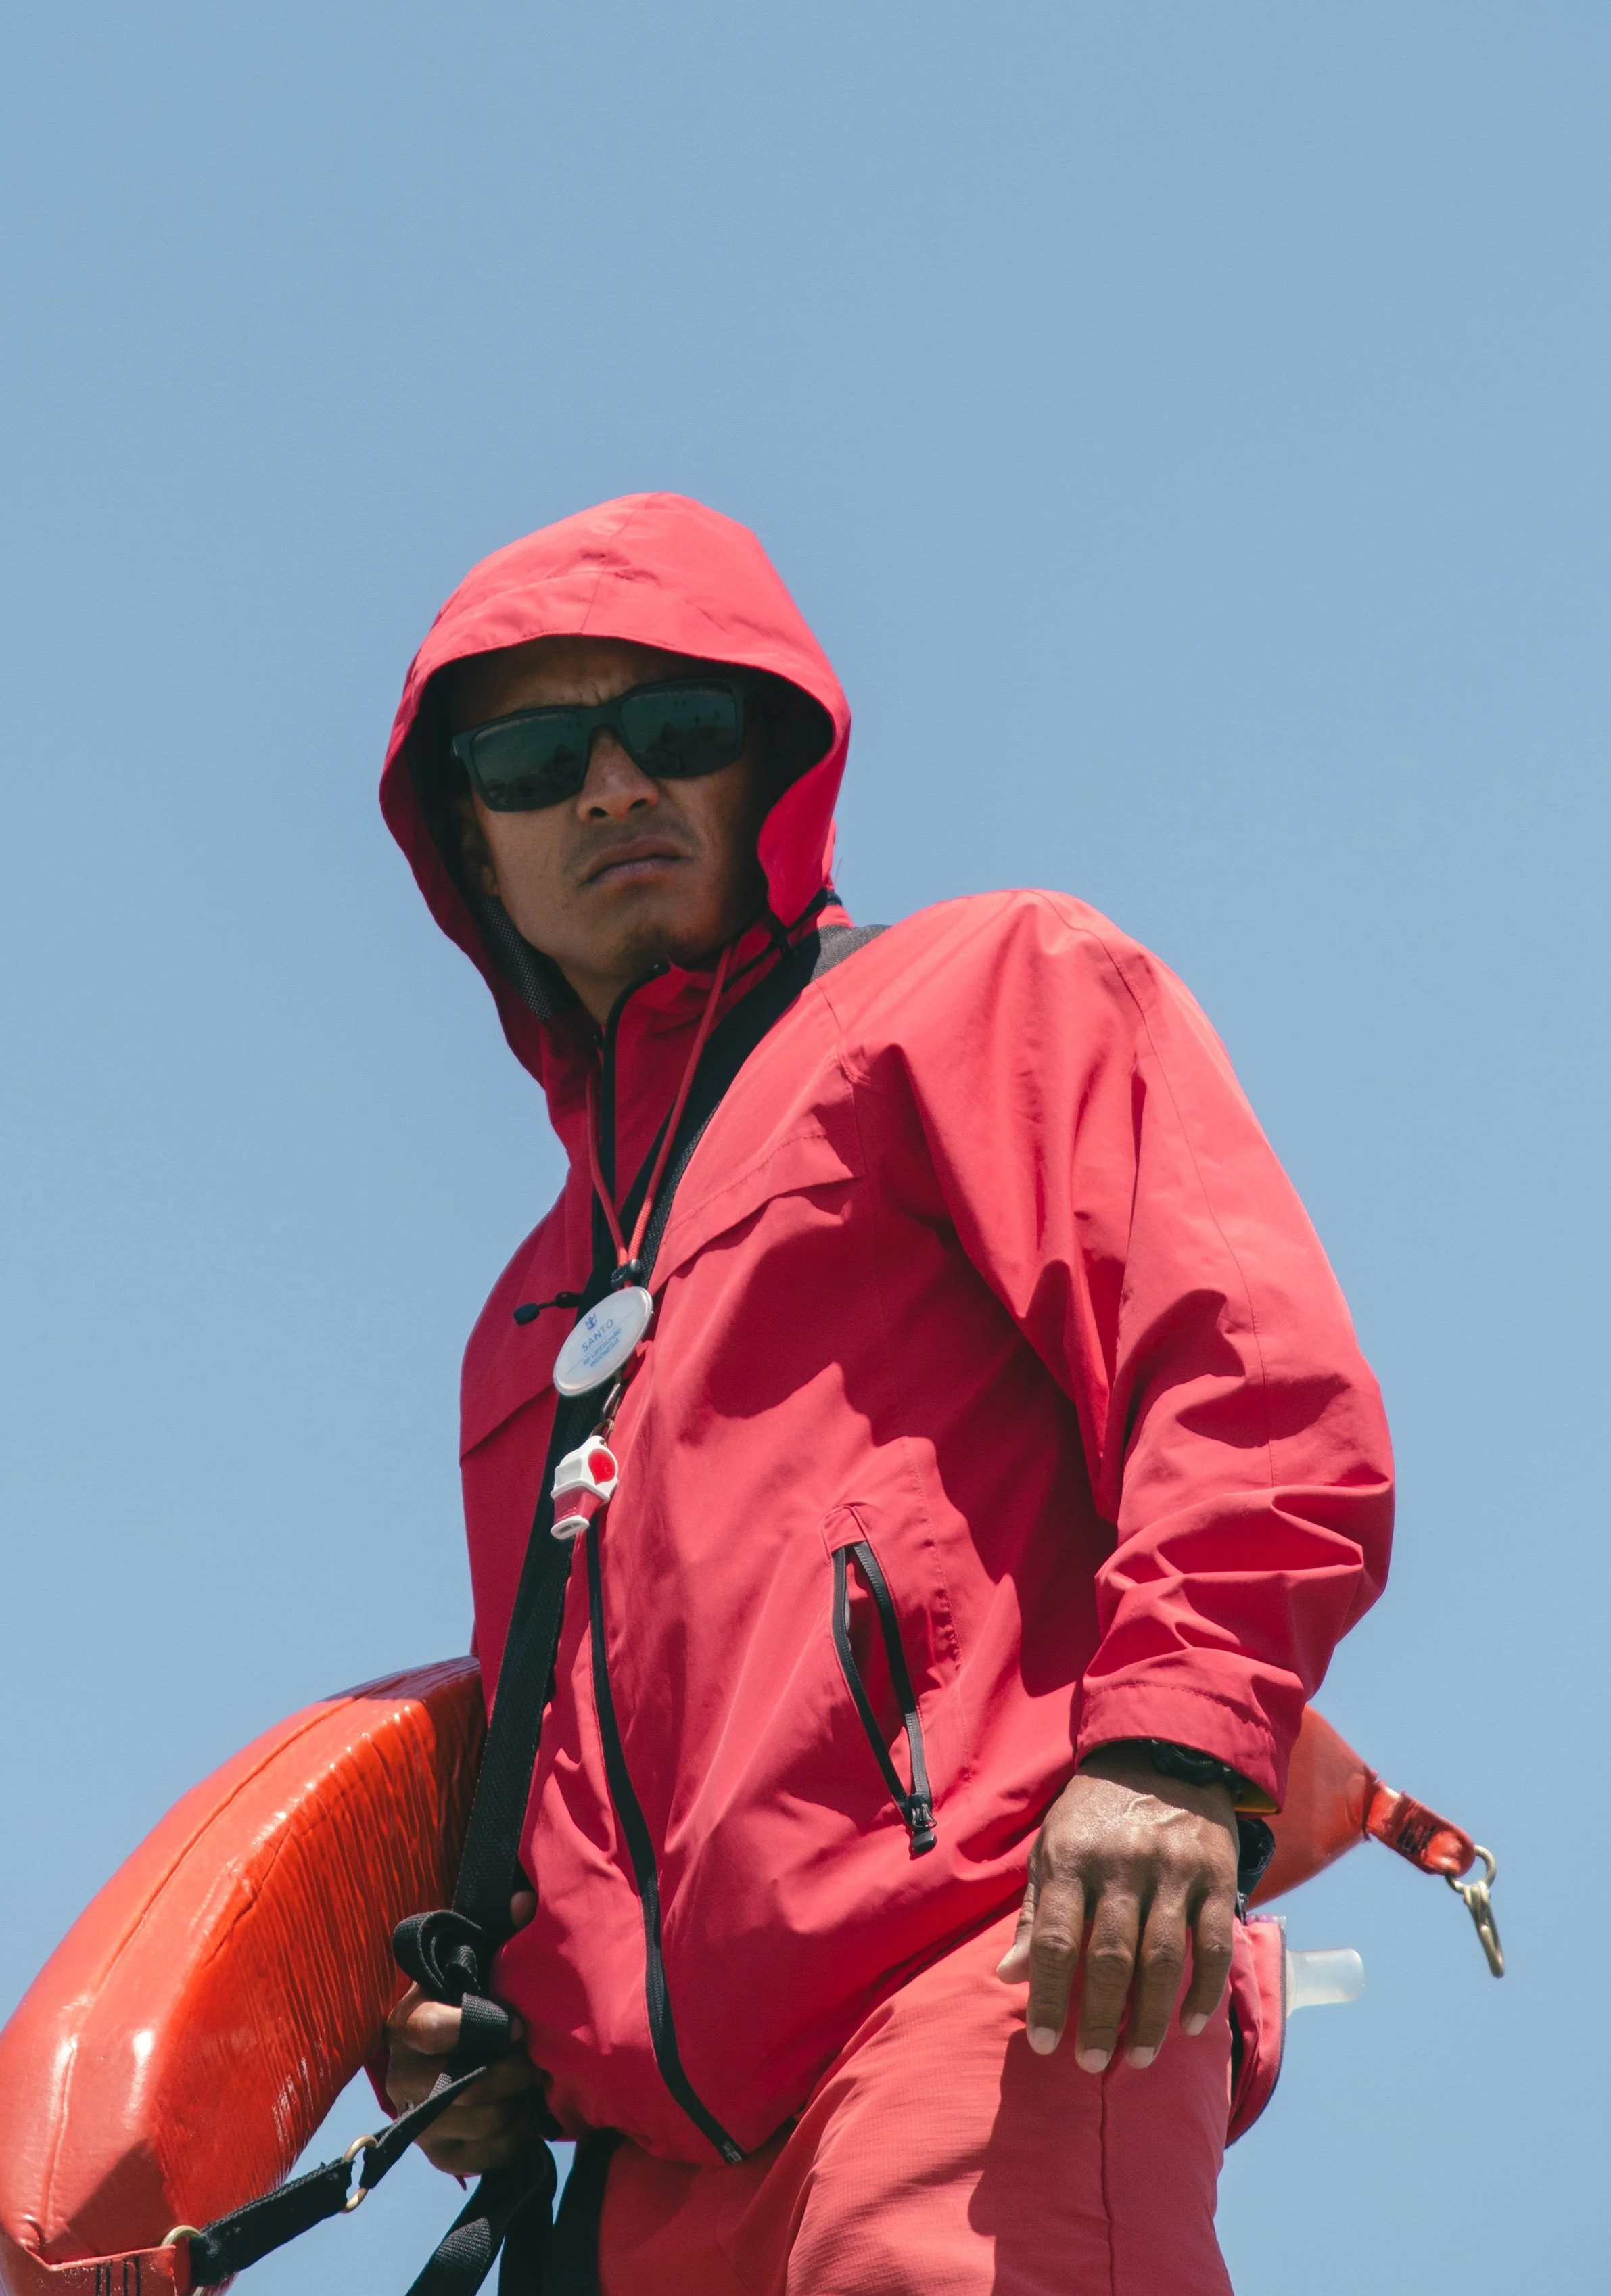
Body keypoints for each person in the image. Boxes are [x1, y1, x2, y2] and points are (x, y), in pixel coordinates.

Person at [379, 492, 1393, 2295]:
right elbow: (597, 1759)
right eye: (536, 758)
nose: (610, 789)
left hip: (992, 1979)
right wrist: (512, 2030)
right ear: (471, 838)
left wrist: (1167, 1751)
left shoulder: (983, 989)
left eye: (672, 730)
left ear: (766, 762)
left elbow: (1242, 1373)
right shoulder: (523, 1310)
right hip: (650, 2171)